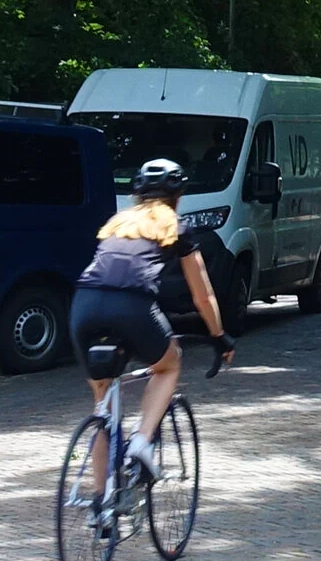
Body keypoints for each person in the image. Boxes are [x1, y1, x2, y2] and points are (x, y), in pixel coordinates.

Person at [72, 157, 233, 481]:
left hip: (84, 304)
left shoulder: (117, 223)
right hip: (131, 305)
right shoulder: (176, 227)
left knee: (103, 402)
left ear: (136, 195)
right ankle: (143, 442)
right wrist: (219, 336)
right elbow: (203, 295)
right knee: (169, 364)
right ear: (178, 197)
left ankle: (101, 509)